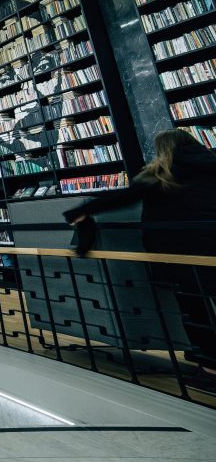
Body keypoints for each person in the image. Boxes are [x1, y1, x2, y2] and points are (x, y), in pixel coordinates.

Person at [63, 129, 216, 379]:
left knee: (194, 306)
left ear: (162, 150)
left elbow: (123, 198)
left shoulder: (160, 174)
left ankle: (211, 362)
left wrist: (80, 211)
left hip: (178, 252)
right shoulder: (212, 167)